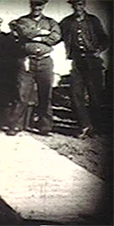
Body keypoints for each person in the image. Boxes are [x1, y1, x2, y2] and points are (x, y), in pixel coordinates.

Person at [60, 0, 109, 138]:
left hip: (93, 62)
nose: (78, 7)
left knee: (95, 96)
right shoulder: (67, 22)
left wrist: (98, 50)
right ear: (72, 6)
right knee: (75, 94)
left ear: (84, 5)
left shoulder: (93, 20)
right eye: (75, 4)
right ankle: (84, 126)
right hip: (77, 62)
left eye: (80, 4)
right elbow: (56, 36)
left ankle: (96, 127)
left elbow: (104, 39)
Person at [16, 0, 61, 135]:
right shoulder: (23, 20)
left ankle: (45, 127)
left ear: (43, 6)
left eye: (40, 5)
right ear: (31, 5)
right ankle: (17, 125)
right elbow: (24, 33)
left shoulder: (51, 22)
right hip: (27, 61)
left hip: (45, 61)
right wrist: (42, 32)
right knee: (22, 94)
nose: (37, 8)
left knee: (45, 95)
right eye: (35, 5)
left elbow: (56, 36)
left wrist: (38, 37)